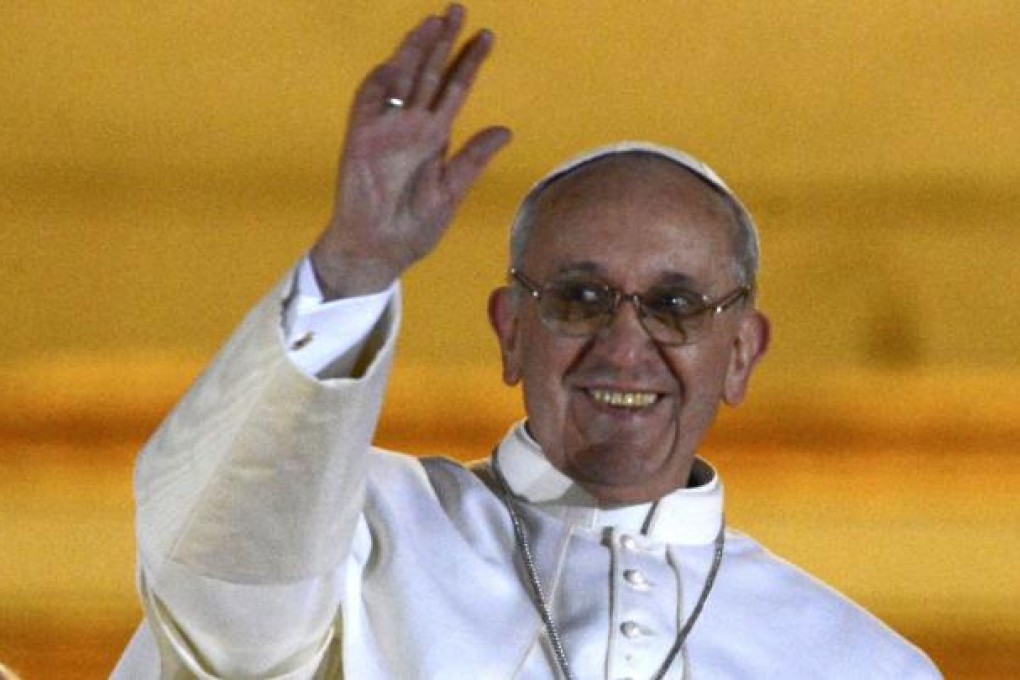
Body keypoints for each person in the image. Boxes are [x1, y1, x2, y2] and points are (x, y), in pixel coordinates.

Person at [114, 5, 941, 678]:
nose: (626, 344)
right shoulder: (361, 535)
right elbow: (222, 605)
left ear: (740, 355)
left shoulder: (859, 662)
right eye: (579, 299)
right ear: (512, 334)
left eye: (676, 304)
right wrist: (355, 265)